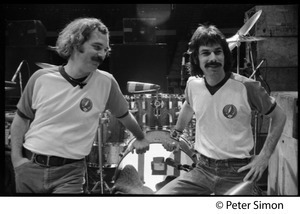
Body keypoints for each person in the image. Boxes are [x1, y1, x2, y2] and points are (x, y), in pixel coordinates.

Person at [10, 17, 150, 194]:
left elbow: (124, 115)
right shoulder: (40, 78)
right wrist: (17, 160)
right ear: (76, 43)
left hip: (70, 173)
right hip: (30, 168)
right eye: (97, 47)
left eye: (106, 50)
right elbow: (20, 120)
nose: (102, 55)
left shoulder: (106, 82)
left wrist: (140, 136)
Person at [157, 24, 286, 195]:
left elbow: (280, 116)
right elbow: (189, 106)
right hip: (202, 169)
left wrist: (264, 157)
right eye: (206, 53)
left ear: (225, 55)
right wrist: (175, 134)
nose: (213, 58)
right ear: (196, 58)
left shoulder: (247, 86)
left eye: (218, 52)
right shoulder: (192, 84)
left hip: (237, 172)